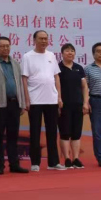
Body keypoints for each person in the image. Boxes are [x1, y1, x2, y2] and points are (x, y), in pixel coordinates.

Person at [0, 37, 28, 175]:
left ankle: (14, 164)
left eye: (7, 46)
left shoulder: (15, 64)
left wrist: (22, 103)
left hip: (14, 103)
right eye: (2, 46)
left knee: (13, 136)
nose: (5, 48)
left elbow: (20, 84)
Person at [22, 31, 65, 172]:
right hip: (35, 100)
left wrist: (59, 97)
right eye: (41, 38)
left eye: (46, 38)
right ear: (34, 40)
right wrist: (26, 99)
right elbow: (24, 79)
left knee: (52, 132)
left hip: (51, 99)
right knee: (35, 132)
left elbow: (56, 77)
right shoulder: (28, 56)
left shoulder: (51, 55)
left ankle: (53, 162)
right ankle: (35, 162)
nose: (44, 41)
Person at [57, 44, 88, 169]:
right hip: (63, 105)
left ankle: (75, 158)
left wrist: (85, 102)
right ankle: (67, 158)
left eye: (72, 51)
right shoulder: (58, 68)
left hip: (78, 104)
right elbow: (55, 86)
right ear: (62, 53)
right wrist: (58, 101)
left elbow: (84, 87)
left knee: (76, 133)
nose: (70, 53)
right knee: (65, 132)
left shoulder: (79, 68)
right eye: (67, 51)